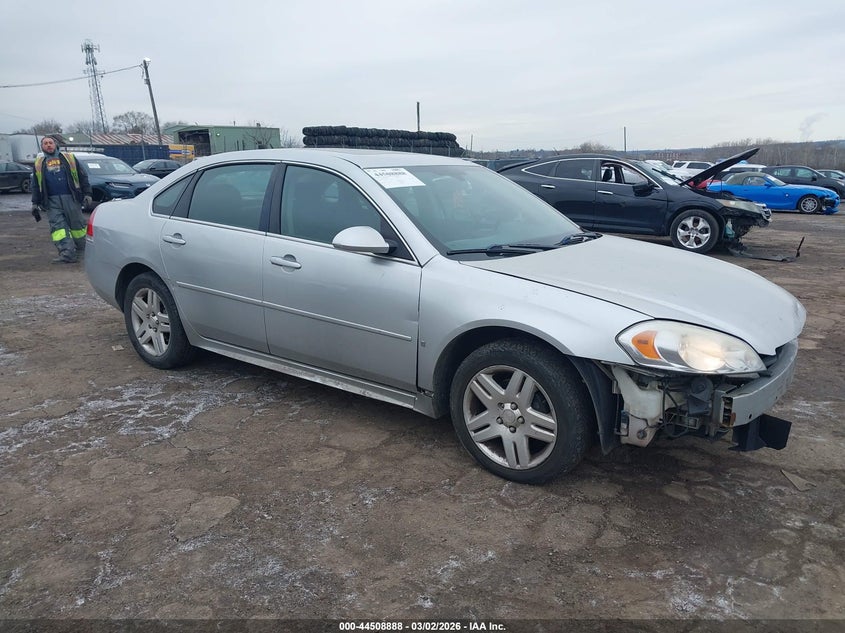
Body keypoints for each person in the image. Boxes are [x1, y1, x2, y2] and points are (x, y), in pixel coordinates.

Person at [30, 135, 93, 263]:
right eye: (45, 143)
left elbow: (82, 176)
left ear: (55, 145)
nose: (48, 145)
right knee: (58, 228)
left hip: (71, 198)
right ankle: (67, 254)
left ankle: (84, 252)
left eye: (50, 143)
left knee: (78, 227)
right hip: (51, 201)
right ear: (42, 147)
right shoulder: (38, 163)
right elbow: (35, 185)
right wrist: (35, 202)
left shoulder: (69, 158)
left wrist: (87, 193)